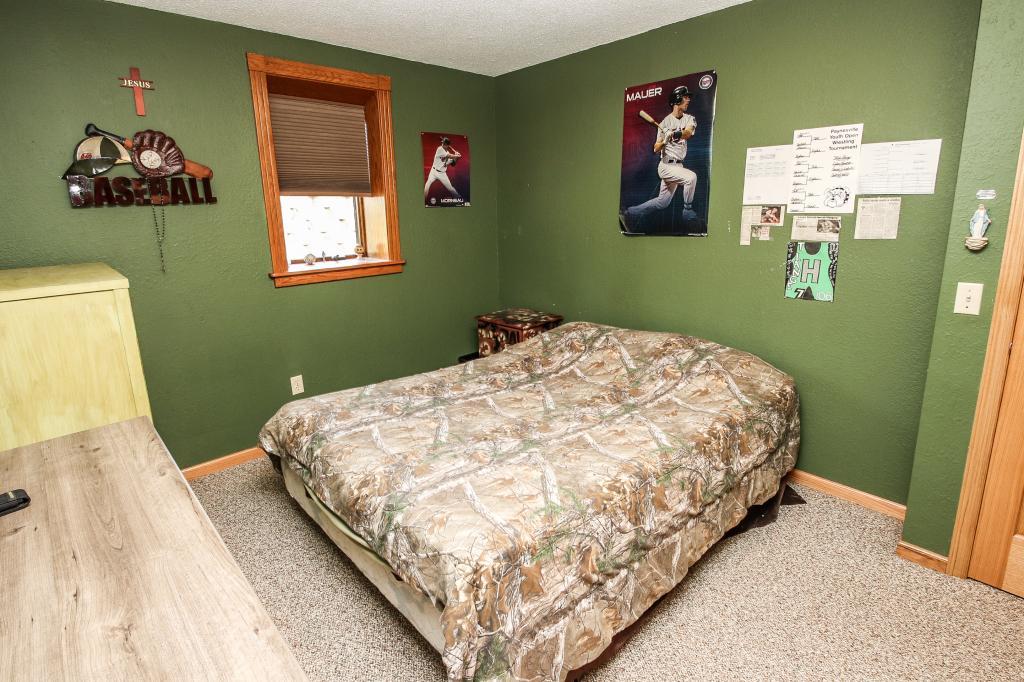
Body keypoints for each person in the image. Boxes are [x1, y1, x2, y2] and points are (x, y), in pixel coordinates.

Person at [620, 86, 698, 232]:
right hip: (666, 166)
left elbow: (687, 133)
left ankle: (629, 212)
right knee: (691, 178)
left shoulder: (690, 118)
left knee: (662, 203)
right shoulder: (664, 123)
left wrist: (674, 134)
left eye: (688, 97)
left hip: (678, 167)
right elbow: (656, 148)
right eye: (685, 97)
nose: (688, 100)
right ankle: (687, 211)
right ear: (677, 99)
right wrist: (665, 141)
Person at [424, 136, 463, 200]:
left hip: (442, 174)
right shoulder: (439, 149)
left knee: (450, 188)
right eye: (442, 143)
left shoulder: (447, 152)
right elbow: (450, 156)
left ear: (447, 145)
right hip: (433, 171)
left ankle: (459, 198)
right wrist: (457, 156)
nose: (442, 144)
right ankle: (424, 199)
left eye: (444, 144)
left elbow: (453, 164)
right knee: (428, 184)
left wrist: (456, 158)